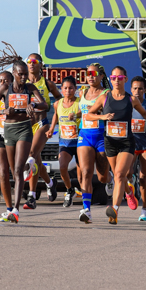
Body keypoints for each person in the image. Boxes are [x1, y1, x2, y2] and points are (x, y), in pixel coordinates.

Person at [83, 66, 146, 225]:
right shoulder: (104, 97)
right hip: (110, 142)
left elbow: (145, 114)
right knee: (118, 176)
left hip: (126, 143)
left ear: (125, 79)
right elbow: (88, 115)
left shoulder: (131, 99)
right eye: (113, 78)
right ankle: (129, 192)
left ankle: (114, 209)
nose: (116, 80)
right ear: (110, 79)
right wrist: (103, 117)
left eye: (120, 78)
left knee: (119, 175)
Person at [0, 48, 47, 224]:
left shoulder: (30, 88)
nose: (24, 77)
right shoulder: (5, 89)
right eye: (20, 74)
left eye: (25, 74)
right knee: (11, 170)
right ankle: (29, 169)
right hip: (8, 130)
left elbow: (45, 105)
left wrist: (33, 106)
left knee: (17, 169)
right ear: (14, 73)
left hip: (24, 129)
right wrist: (4, 111)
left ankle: (15, 209)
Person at [76, 62, 111, 224]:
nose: (90, 76)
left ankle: (114, 179)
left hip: (101, 136)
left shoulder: (106, 93)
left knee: (103, 177)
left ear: (101, 76)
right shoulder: (82, 92)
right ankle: (86, 210)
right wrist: (75, 115)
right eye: (88, 73)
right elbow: (82, 110)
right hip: (85, 135)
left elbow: (112, 111)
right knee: (86, 172)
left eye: (94, 74)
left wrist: (102, 112)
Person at [25, 53, 62, 205]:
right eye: (29, 61)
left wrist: (59, 111)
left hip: (42, 123)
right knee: (37, 161)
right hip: (27, 125)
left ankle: (32, 195)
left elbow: (60, 100)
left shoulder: (47, 84)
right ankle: (50, 183)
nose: (31, 63)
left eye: (34, 61)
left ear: (41, 64)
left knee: (32, 155)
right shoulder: (23, 83)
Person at [46, 76, 82, 208]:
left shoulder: (79, 102)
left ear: (75, 89)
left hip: (79, 142)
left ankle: (85, 201)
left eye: (71, 88)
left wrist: (76, 115)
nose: (68, 91)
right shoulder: (58, 103)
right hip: (65, 142)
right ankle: (69, 190)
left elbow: (85, 112)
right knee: (62, 167)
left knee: (82, 175)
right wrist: (51, 129)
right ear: (61, 89)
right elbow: (55, 115)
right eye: (65, 88)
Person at [128, 76, 146, 221]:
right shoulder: (127, 104)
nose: (137, 91)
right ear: (131, 89)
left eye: (140, 89)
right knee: (127, 172)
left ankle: (144, 209)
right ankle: (130, 187)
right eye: (135, 88)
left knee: (143, 178)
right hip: (131, 145)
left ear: (145, 90)